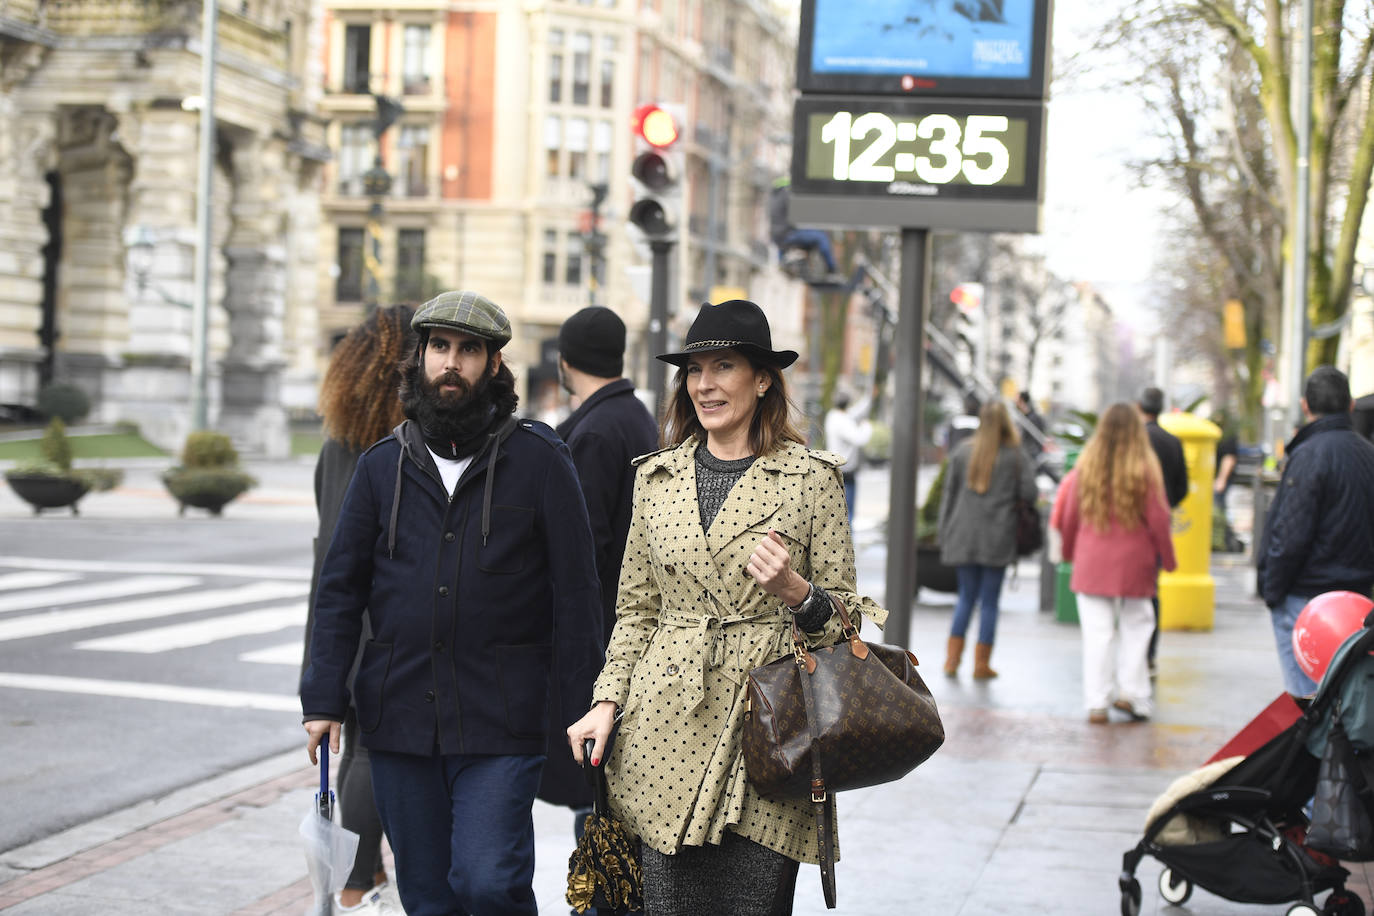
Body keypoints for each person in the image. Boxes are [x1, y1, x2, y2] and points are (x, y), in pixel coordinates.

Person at [565, 298, 887, 916]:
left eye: (724, 367)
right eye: (694, 371)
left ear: (763, 379)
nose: (705, 385)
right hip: (660, 726)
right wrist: (606, 703)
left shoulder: (810, 478)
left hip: (767, 730)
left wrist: (798, 592)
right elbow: (636, 610)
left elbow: (849, 627)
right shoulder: (655, 478)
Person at [301, 290, 605, 916]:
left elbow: (577, 595)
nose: (452, 363)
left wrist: (588, 704)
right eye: (440, 347)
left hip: (501, 717)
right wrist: (323, 698)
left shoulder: (541, 460)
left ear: (494, 365)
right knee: (428, 895)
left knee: (490, 880)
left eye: (470, 350)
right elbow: (339, 590)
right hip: (401, 719)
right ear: (420, 357)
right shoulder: (381, 466)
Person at [538, 305, 658, 898]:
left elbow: (579, 548)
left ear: (564, 362)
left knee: (598, 792)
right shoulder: (635, 417)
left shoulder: (591, 432)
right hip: (639, 636)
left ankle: (607, 901)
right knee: (615, 793)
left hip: (607, 639)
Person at [300, 305, 414, 915]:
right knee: (373, 753)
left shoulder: (338, 444)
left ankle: (358, 879)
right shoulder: (407, 445)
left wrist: (316, 672)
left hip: (345, 621)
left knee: (360, 753)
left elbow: (324, 557)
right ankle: (358, 885)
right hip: (390, 619)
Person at [1050, 403, 1177, 723]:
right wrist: (1169, 558)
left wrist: (1068, 553)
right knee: (1138, 626)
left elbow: (1068, 516)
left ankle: (1096, 701)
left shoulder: (1086, 467)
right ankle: (1132, 695)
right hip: (1136, 562)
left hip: (1092, 561)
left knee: (1097, 633)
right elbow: (1159, 519)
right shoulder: (1145, 468)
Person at [1258, 365, 1374, 698]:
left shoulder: (1308, 455)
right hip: (1357, 596)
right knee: (1345, 695)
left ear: (1305, 405)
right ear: (1349, 405)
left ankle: (1312, 749)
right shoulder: (1368, 455)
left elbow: (1291, 534)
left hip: (1307, 596)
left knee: (1305, 698)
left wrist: (1272, 589)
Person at [937, 399, 1036, 679]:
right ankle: (981, 665)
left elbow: (949, 495)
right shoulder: (1015, 455)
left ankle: (952, 660)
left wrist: (944, 532)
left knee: (966, 597)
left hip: (964, 535)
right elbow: (1029, 492)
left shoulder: (961, 452)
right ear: (1007, 422)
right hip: (998, 537)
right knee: (990, 601)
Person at [1138, 386, 1187, 675]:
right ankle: (1149, 652)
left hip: (1132, 524)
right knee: (1151, 590)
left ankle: (1132, 652)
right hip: (1160, 524)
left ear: (1139, 406)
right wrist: (1166, 504)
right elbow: (1182, 486)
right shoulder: (1172, 442)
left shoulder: (1135, 440)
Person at [767, 178, 839, 276]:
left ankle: (783, 262)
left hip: (778, 237)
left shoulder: (774, 197)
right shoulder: (786, 193)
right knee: (821, 237)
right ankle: (832, 270)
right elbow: (801, 211)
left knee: (810, 236)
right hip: (788, 234)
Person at [822, 387, 873, 525]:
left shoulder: (833, 416)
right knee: (847, 513)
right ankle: (847, 544)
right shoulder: (843, 421)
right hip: (845, 472)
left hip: (837, 469)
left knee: (840, 511)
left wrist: (868, 398)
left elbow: (855, 412)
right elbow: (860, 438)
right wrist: (866, 425)